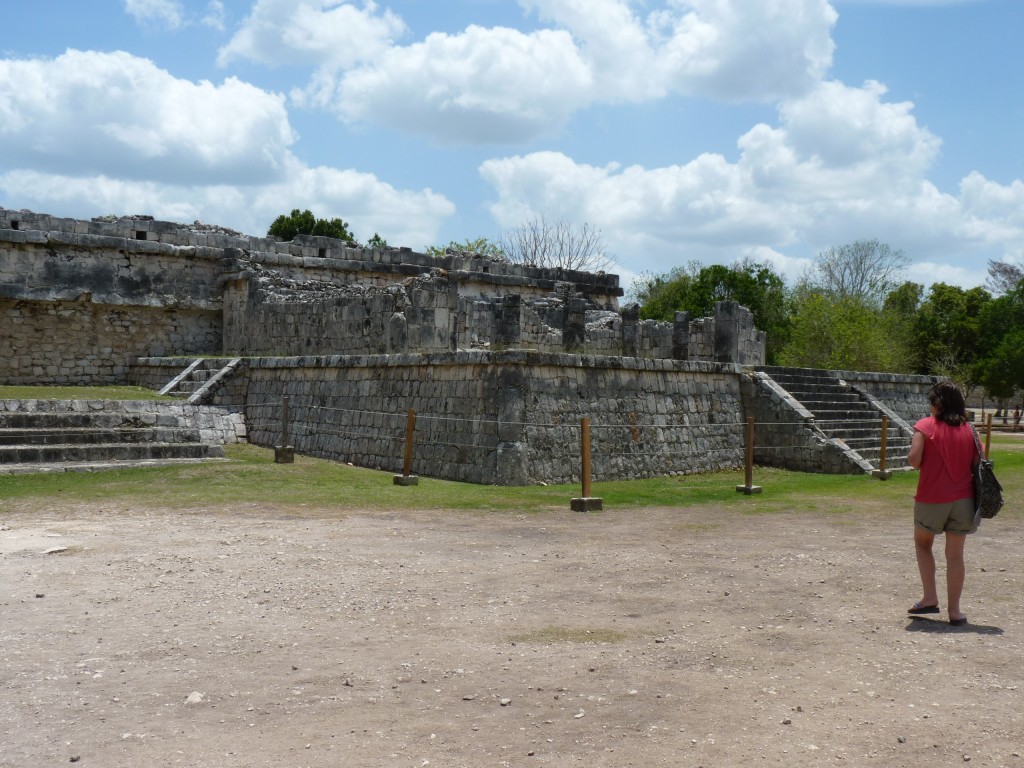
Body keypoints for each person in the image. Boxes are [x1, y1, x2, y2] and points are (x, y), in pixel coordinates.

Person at [906, 382, 980, 626]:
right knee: (956, 555)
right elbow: (977, 463)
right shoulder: (970, 430)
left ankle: (929, 597)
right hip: (964, 499)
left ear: (936, 404)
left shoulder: (925, 426)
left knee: (923, 543)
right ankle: (955, 612)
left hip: (933, 497)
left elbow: (914, 461)